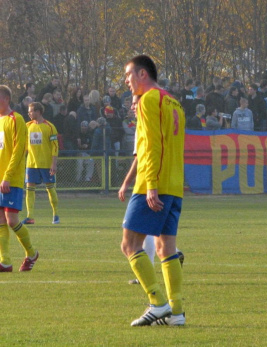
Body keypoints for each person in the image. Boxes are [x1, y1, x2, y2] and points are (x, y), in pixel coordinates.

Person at [120, 54, 186, 326]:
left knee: (129, 244)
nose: (126, 82)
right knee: (164, 247)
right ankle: (177, 312)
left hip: (152, 183)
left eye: (128, 75)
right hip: (174, 184)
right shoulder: (174, 103)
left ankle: (157, 302)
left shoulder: (148, 100)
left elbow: (153, 146)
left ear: (143, 74)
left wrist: (152, 186)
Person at [0, 85, 39, 272]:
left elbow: (19, 150)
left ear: (6, 99)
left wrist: (8, 176)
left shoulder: (17, 120)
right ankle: (5, 262)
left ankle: (31, 253)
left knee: (12, 220)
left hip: (9, 179)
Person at [22, 102, 60, 225]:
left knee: (50, 189)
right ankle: (30, 216)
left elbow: (55, 147)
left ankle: (55, 214)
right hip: (31, 164)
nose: (29, 113)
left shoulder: (50, 127)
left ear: (38, 112)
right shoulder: (27, 126)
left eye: (31, 111)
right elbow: (24, 146)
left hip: (46, 164)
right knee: (29, 189)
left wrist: (53, 163)